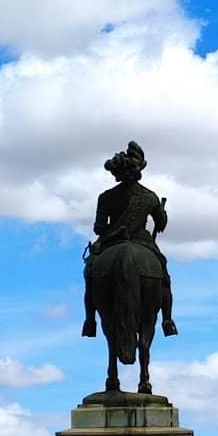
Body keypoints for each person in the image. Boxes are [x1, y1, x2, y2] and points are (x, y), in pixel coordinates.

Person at [82, 141, 176, 338]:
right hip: (143, 242)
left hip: (112, 241)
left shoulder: (106, 197)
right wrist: (162, 213)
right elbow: (161, 224)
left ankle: (90, 321)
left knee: (90, 273)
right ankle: (167, 320)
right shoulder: (150, 197)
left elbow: (99, 228)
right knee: (164, 277)